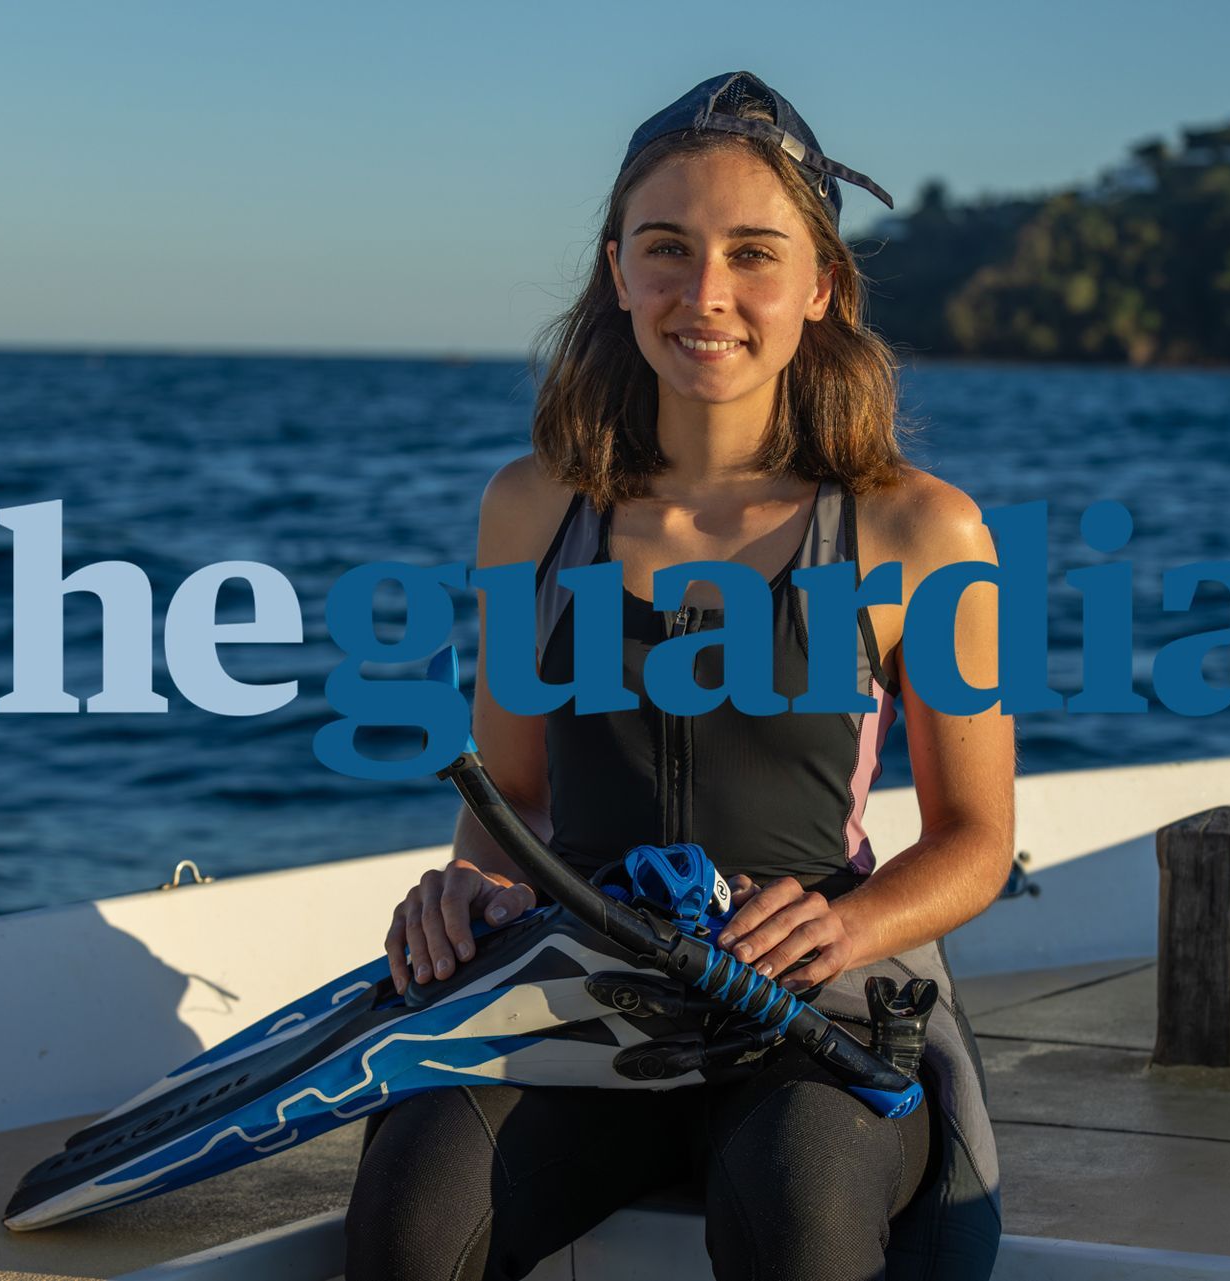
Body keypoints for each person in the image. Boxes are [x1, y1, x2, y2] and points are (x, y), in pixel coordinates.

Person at [345, 71, 1015, 1281]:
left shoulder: (918, 531)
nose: (707, 294)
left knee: (802, 1228)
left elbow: (975, 839)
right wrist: (460, 889)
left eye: (753, 254)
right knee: (409, 1228)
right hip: (579, 993)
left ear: (821, 286)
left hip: (813, 1009)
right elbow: (513, 795)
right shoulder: (533, 508)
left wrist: (845, 924)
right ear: (618, 271)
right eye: (668, 249)